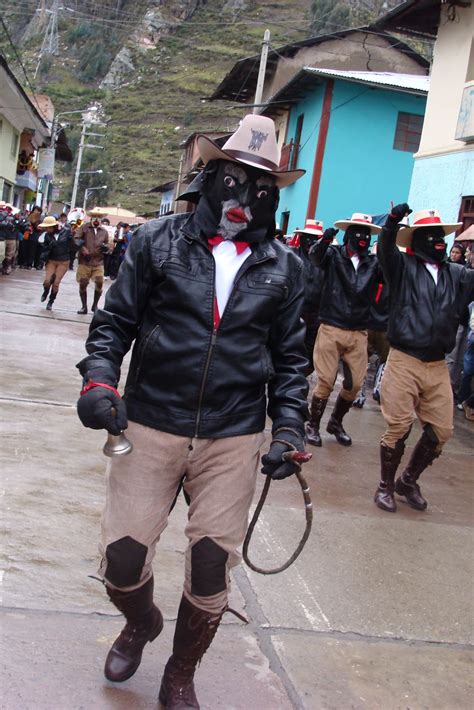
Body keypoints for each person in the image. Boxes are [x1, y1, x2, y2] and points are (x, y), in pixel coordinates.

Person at [76, 114, 307, 708]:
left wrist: (288, 427)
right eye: (232, 183)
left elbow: (290, 358)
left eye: (261, 192)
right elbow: (115, 322)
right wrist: (100, 381)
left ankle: (181, 672)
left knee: (209, 567)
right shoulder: (157, 241)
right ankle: (141, 621)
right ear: (208, 179)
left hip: (233, 434)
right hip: (150, 420)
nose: (244, 200)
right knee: (124, 558)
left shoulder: (287, 267)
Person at [374, 205, 474, 513]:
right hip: (404, 359)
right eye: (430, 236)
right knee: (399, 426)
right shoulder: (401, 267)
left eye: (440, 236)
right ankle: (385, 486)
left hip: (437, 364)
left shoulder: (456, 274)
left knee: (442, 430)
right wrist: (391, 222)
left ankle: (408, 480)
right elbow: (385, 249)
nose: (438, 241)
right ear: (416, 239)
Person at [306, 212, 382, 446]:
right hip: (331, 326)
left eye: (367, 234)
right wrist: (325, 240)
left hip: (358, 331)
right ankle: (313, 425)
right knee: (326, 380)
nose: (363, 238)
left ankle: (336, 421)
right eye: (358, 233)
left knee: (355, 384)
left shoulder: (373, 263)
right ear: (349, 234)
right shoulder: (333, 256)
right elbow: (315, 258)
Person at [288, 219, 325, 376]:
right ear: (301, 238)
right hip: (295, 311)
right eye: (308, 238)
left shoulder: (325, 260)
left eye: (315, 239)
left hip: (316, 314)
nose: (311, 242)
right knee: (290, 349)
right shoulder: (291, 256)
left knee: (310, 356)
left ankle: (299, 379)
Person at [74, 209, 110, 314]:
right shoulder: (84, 228)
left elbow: (108, 244)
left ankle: (95, 305)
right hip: (84, 261)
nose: (96, 219)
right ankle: (84, 306)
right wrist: (82, 248)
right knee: (83, 283)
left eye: (99, 218)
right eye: (95, 217)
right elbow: (76, 239)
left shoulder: (104, 231)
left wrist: (105, 247)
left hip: (98, 261)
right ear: (91, 218)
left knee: (99, 282)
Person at [39, 215, 76, 310]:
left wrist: (72, 239)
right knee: (47, 281)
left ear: (53, 226)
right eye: (45, 228)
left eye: (48, 227)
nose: (46, 229)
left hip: (63, 261)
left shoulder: (66, 232)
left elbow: (73, 245)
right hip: (51, 260)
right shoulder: (47, 235)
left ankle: (51, 301)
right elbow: (43, 248)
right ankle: (46, 291)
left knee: (56, 283)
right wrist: (48, 247)